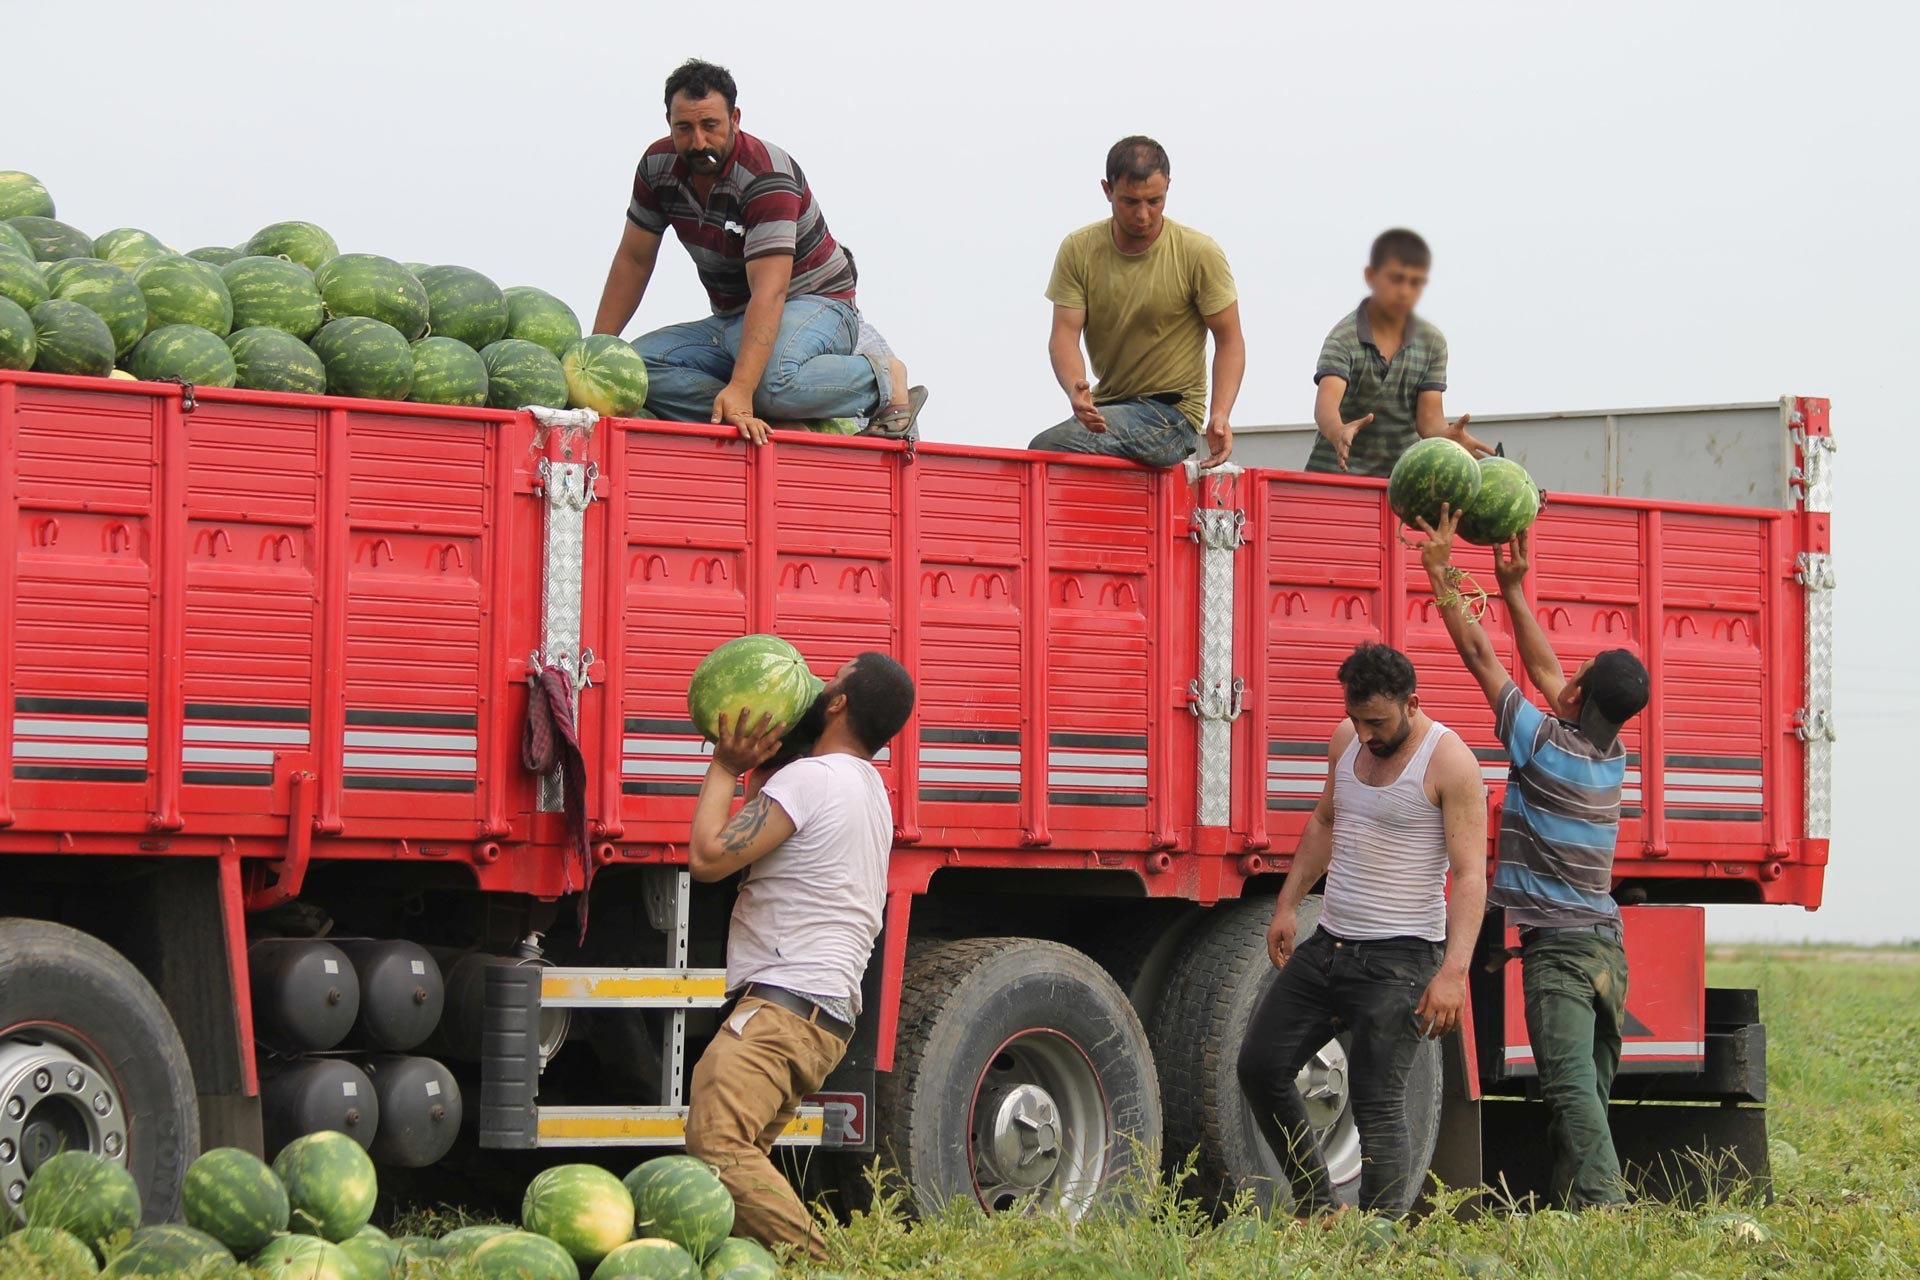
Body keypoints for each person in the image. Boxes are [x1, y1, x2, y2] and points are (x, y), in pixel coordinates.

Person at [1414, 510, 1651, 1209]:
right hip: (1608, 953)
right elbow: (1549, 673)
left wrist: (1440, 576)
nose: (1561, 678)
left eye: (1571, 679)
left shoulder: (1542, 747)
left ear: (1576, 698)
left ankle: (1608, 1213)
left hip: (1564, 958)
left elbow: (1484, 660)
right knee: (1588, 1104)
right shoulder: (1609, 754)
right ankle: (1578, 1216)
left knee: (1573, 1096)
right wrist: (1513, 590)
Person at [1237, 643, 1487, 1217]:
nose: (1365, 733)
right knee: (1260, 1065)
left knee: (1378, 1103)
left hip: (1402, 959)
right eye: (1356, 718)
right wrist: (1287, 904)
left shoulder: (1450, 763)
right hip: (1331, 944)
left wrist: (1453, 971)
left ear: (1411, 703)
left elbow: (1472, 876)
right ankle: (1320, 1207)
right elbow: (1326, 821)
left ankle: (1379, 1239)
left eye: (1376, 721)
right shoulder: (1346, 741)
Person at [683, 651, 916, 1257]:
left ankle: (827, 1267)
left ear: (838, 702)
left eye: (831, 677)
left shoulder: (812, 780)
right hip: (821, 1015)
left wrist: (723, 764)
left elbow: (709, 859)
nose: (817, 683)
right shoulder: (867, 789)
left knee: (718, 1147)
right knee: (742, 1164)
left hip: (783, 1009)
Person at [592, 59, 926, 445]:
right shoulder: (657, 167)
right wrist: (597, 353)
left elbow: (771, 291)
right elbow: (634, 261)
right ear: (668, 121)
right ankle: (768, 416)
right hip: (733, 318)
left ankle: (883, 377)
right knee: (635, 369)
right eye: (684, 128)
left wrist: (745, 388)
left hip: (815, 303)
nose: (698, 141)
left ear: (735, 118)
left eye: (710, 126)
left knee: (768, 384)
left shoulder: (766, 176)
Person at [1027, 136, 1243, 469]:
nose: (1143, 214)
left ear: (1169, 187)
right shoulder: (1079, 250)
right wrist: (1075, 388)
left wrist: (1219, 414)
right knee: (1051, 458)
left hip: (1170, 416)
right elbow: (1063, 336)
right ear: (1107, 190)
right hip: (1109, 407)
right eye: (1130, 202)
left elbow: (1229, 341)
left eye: (1155, 201)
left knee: (1047, 447)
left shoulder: (1198, 253)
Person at [1305, 229, 1490, 475]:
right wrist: (1337, 431)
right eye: (1396, 279)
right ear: (1371, 276)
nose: (1404, 291)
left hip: (1398, 482)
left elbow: (1428, 421)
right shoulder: (1344, 338)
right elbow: (1326, 407)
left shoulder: (1432, 342)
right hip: (1335, 478)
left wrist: (1448, 437)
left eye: (1415, 282)